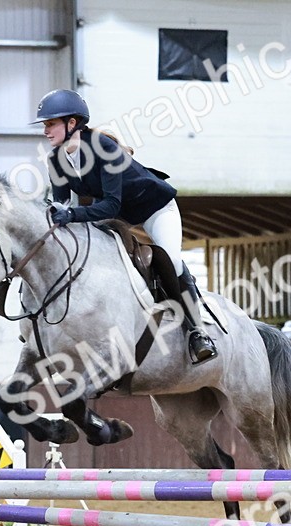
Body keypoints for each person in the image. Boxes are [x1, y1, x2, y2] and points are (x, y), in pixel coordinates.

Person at [32, 89, 218, 364]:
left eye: (50, 124)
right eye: (45, 125)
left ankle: (197, 331)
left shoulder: (102, 148)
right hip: (116, 214)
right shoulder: (56, 160)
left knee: (172, 260)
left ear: (72, 124)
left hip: (153, 208)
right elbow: (62, 205)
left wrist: (70, 214)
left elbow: (110, 206)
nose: (46, 131)